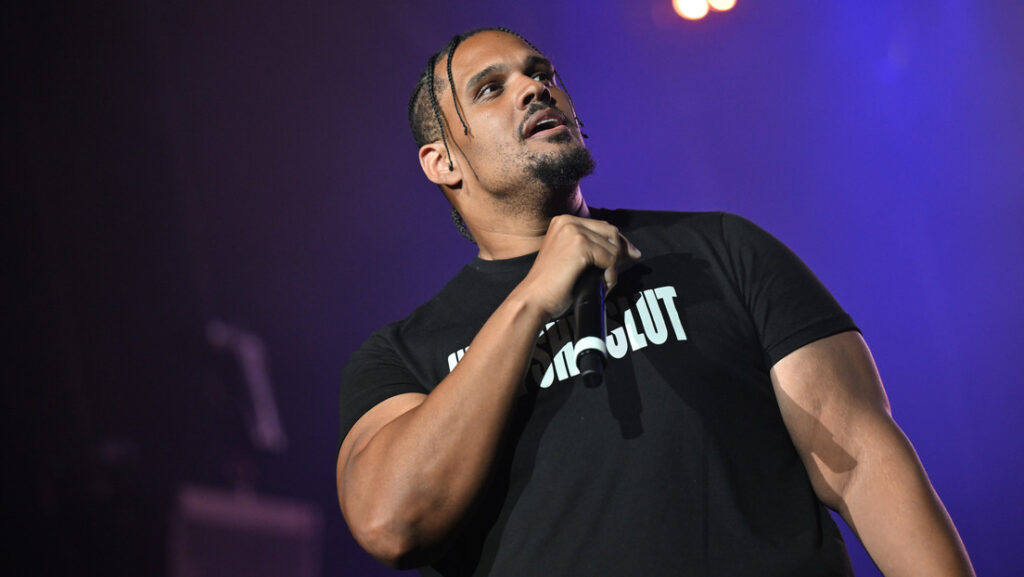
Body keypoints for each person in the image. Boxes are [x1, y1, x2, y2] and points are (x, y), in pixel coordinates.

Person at [335, 27, 975, 577]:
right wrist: (530, 298)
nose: (533, 88)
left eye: (542, 74)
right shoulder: (403, 355)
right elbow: (391, 522)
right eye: (490, 89)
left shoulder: (721, 250)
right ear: (442, 162)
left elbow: (862, 462)